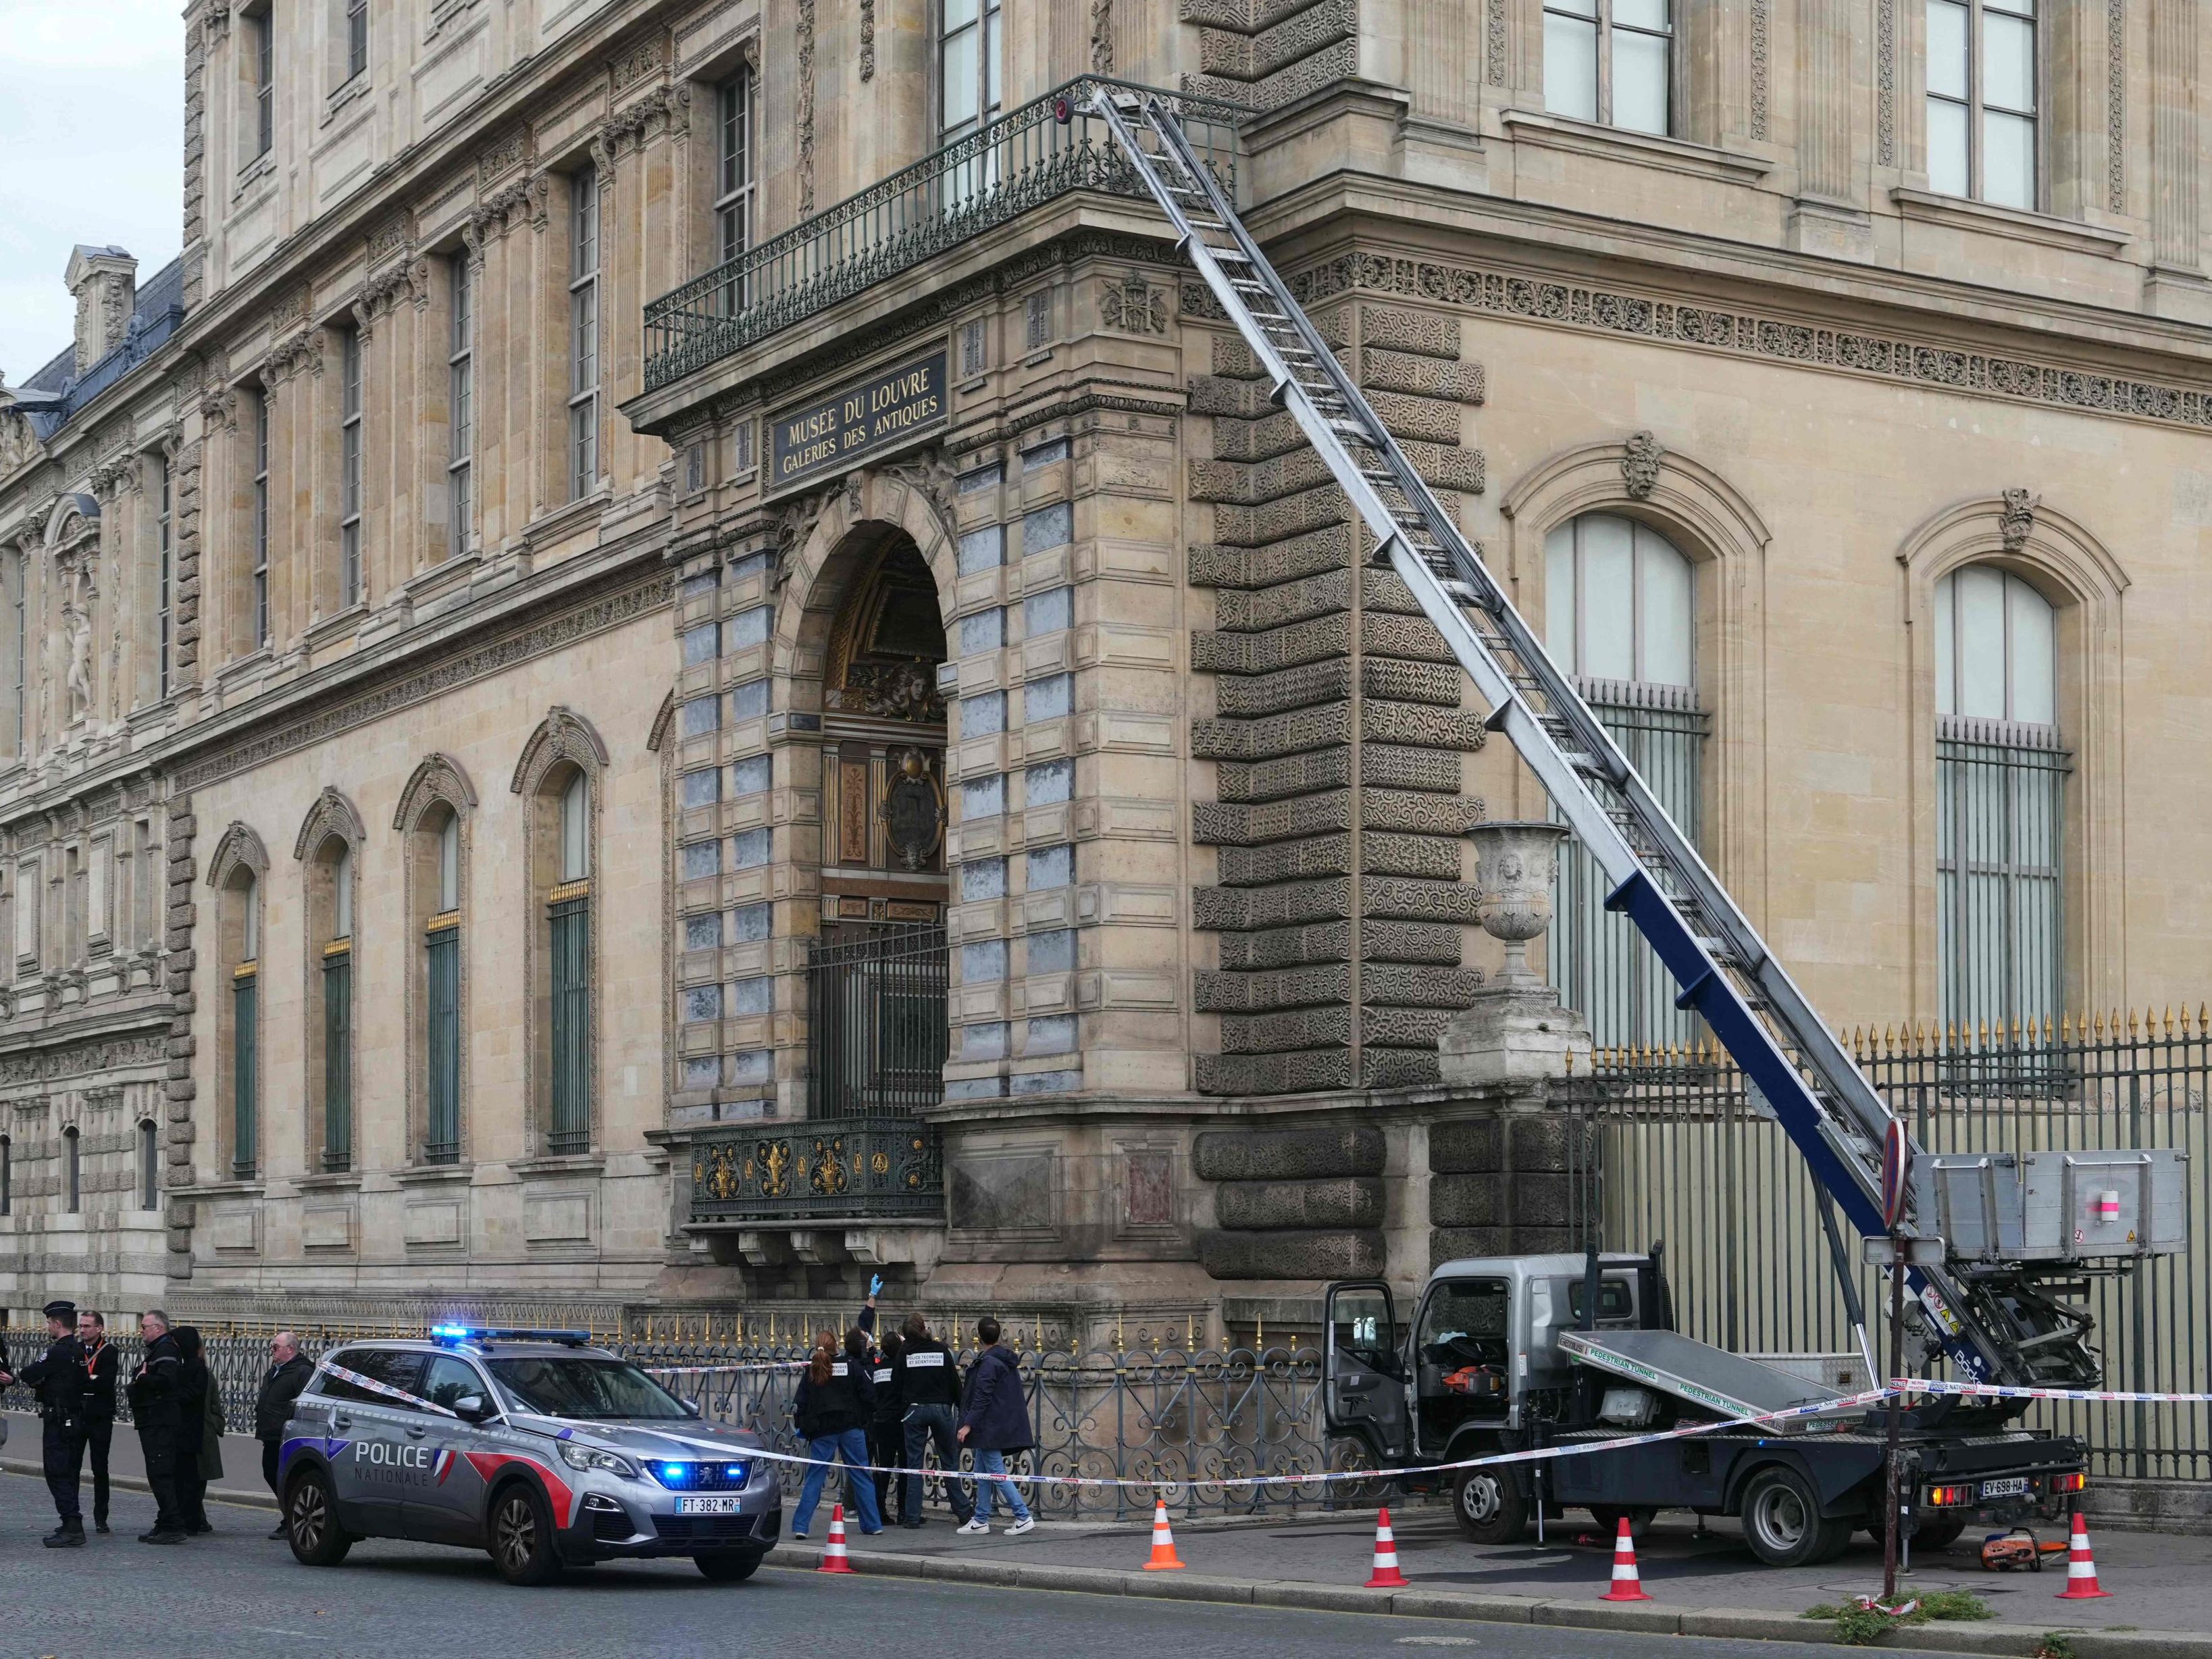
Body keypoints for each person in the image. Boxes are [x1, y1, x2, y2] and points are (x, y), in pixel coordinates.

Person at [790, 1326, 883, 1539]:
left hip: (822, 1430)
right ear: (836, 1348)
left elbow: (801, 1403)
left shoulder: (812, 1369)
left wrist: (805, 1426)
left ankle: (801, 1527)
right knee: (861, 1475)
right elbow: (869, 1395)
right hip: (851, 1427)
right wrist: (865, 1416)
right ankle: (872, 1524)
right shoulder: (852, 1366)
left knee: (815, 1478)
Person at [956, 1317, 1035, 1536]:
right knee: (982, 1472)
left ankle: (1023, 1515)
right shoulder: (1002, 1360)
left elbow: (982, 1396)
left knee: (997, 1473)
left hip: (989, 1427)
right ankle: (981, 1519)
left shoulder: (989, 1362)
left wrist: (967, 1425)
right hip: (993, 1426)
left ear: (979, 1337)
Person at [895, 1308, 973, 1529]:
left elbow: (897, 1383)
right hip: (941, 1408)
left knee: (914, 1465)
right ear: (924, 1329)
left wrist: (904, 1408)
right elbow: (954, 1384)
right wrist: (963, 1412)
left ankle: (912, 1516)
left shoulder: (904, 1353)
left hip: (915, 1409)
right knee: (949, 1462)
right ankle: (964, 1512)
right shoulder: (941, 1350)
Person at [20, 1298, 88, 1547]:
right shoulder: (78, 1351)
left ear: (58, 1324)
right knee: (68, 1472)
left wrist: (42, 1382)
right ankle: (71, 1521)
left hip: (59, 1421)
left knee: (57, 1472)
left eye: (49, 1323)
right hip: (74, 1418)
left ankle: (72, 1525)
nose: (48, 1327)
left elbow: (29, 1373)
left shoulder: (58, 1351)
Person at [126, 1309, 187, 1543]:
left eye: (145, 1327)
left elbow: (167, 1381)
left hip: (160, 1421)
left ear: (158, 1328)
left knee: (161, 1473)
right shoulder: (159, 1350)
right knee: (158, 1473)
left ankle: (172, 1525)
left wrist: (142, 1379)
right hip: (154, 1419)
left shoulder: (167, 1350)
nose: (142, 1331)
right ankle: (164, 1522)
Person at [254, 1331, 314, 1539]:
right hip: (271, 1433)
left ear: (290, 1349)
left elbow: (305, 1404)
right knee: (271, 1473)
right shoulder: (276, 1370)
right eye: (272, 1346)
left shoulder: (302, 1371)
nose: (272, 1350)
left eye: (275, 1347)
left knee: (285, 1477)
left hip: (287, 1435)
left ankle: (292, 1520)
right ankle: (291, 1517)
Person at [172, 1327, 224, 1535]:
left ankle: (195, 1518)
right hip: (195, 1431)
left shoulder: (199, 1370)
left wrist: (216, 1424)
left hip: (201, 1431)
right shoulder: (186, 1367)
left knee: (195, 1478)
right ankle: (196, 1517)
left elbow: (212, 1403)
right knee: (190, 1477)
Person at [76, 1310, 118, 1534]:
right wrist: (90, 1379)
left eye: (87, 1326)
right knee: (72, 1466)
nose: (82, 1330)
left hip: (100, 1417)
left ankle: (101, 1517)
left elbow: (106, 1382)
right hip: (78, 1415)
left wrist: (87, 1380)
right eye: (81, 1326)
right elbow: (71, 1380)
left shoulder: (110, 1351)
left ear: (99, 1328)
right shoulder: (74, 1350)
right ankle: (72, 1516)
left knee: (100, 1468)